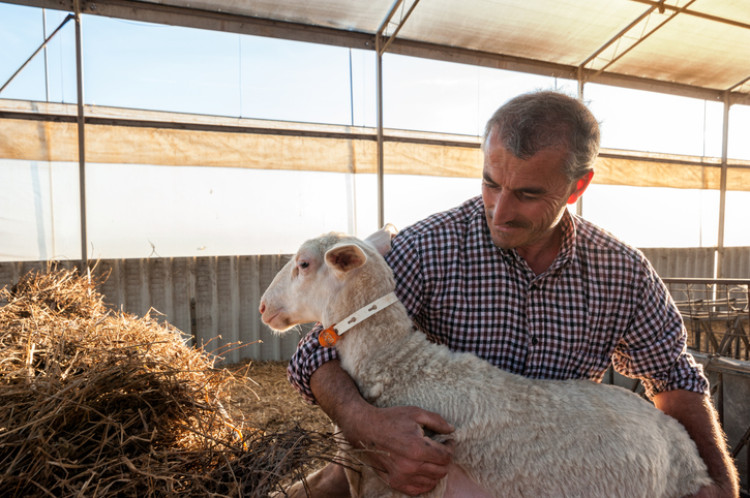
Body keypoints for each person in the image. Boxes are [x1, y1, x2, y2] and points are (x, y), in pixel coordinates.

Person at [285, 91, 740, 497]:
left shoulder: (622, 272)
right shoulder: (427, 249)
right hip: (438, 464)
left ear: (577, 186)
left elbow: (674, 379)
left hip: (549, 468)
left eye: (526, 193)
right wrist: (364, 424)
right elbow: (315, 351)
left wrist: (721, 485)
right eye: (490, 183)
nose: (500, 211)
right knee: (341, 478)